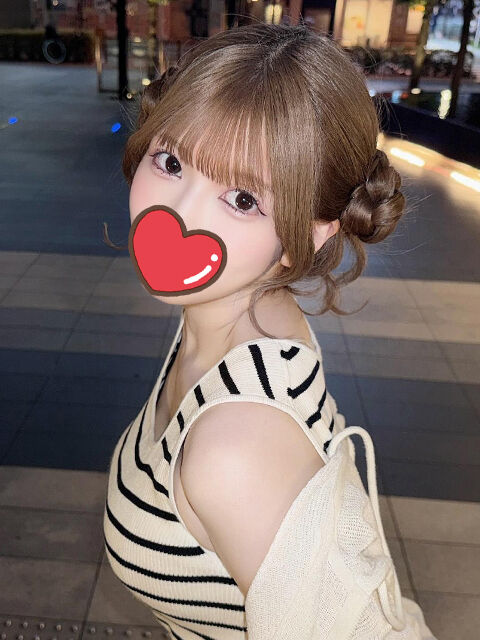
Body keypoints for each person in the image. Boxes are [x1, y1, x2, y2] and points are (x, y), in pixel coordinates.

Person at [102, 21, 437, 640]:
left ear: (310, 233)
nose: (178, 215)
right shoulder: (247, 310)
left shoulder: (234, 446)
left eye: (243, 199)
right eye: (171, 162)